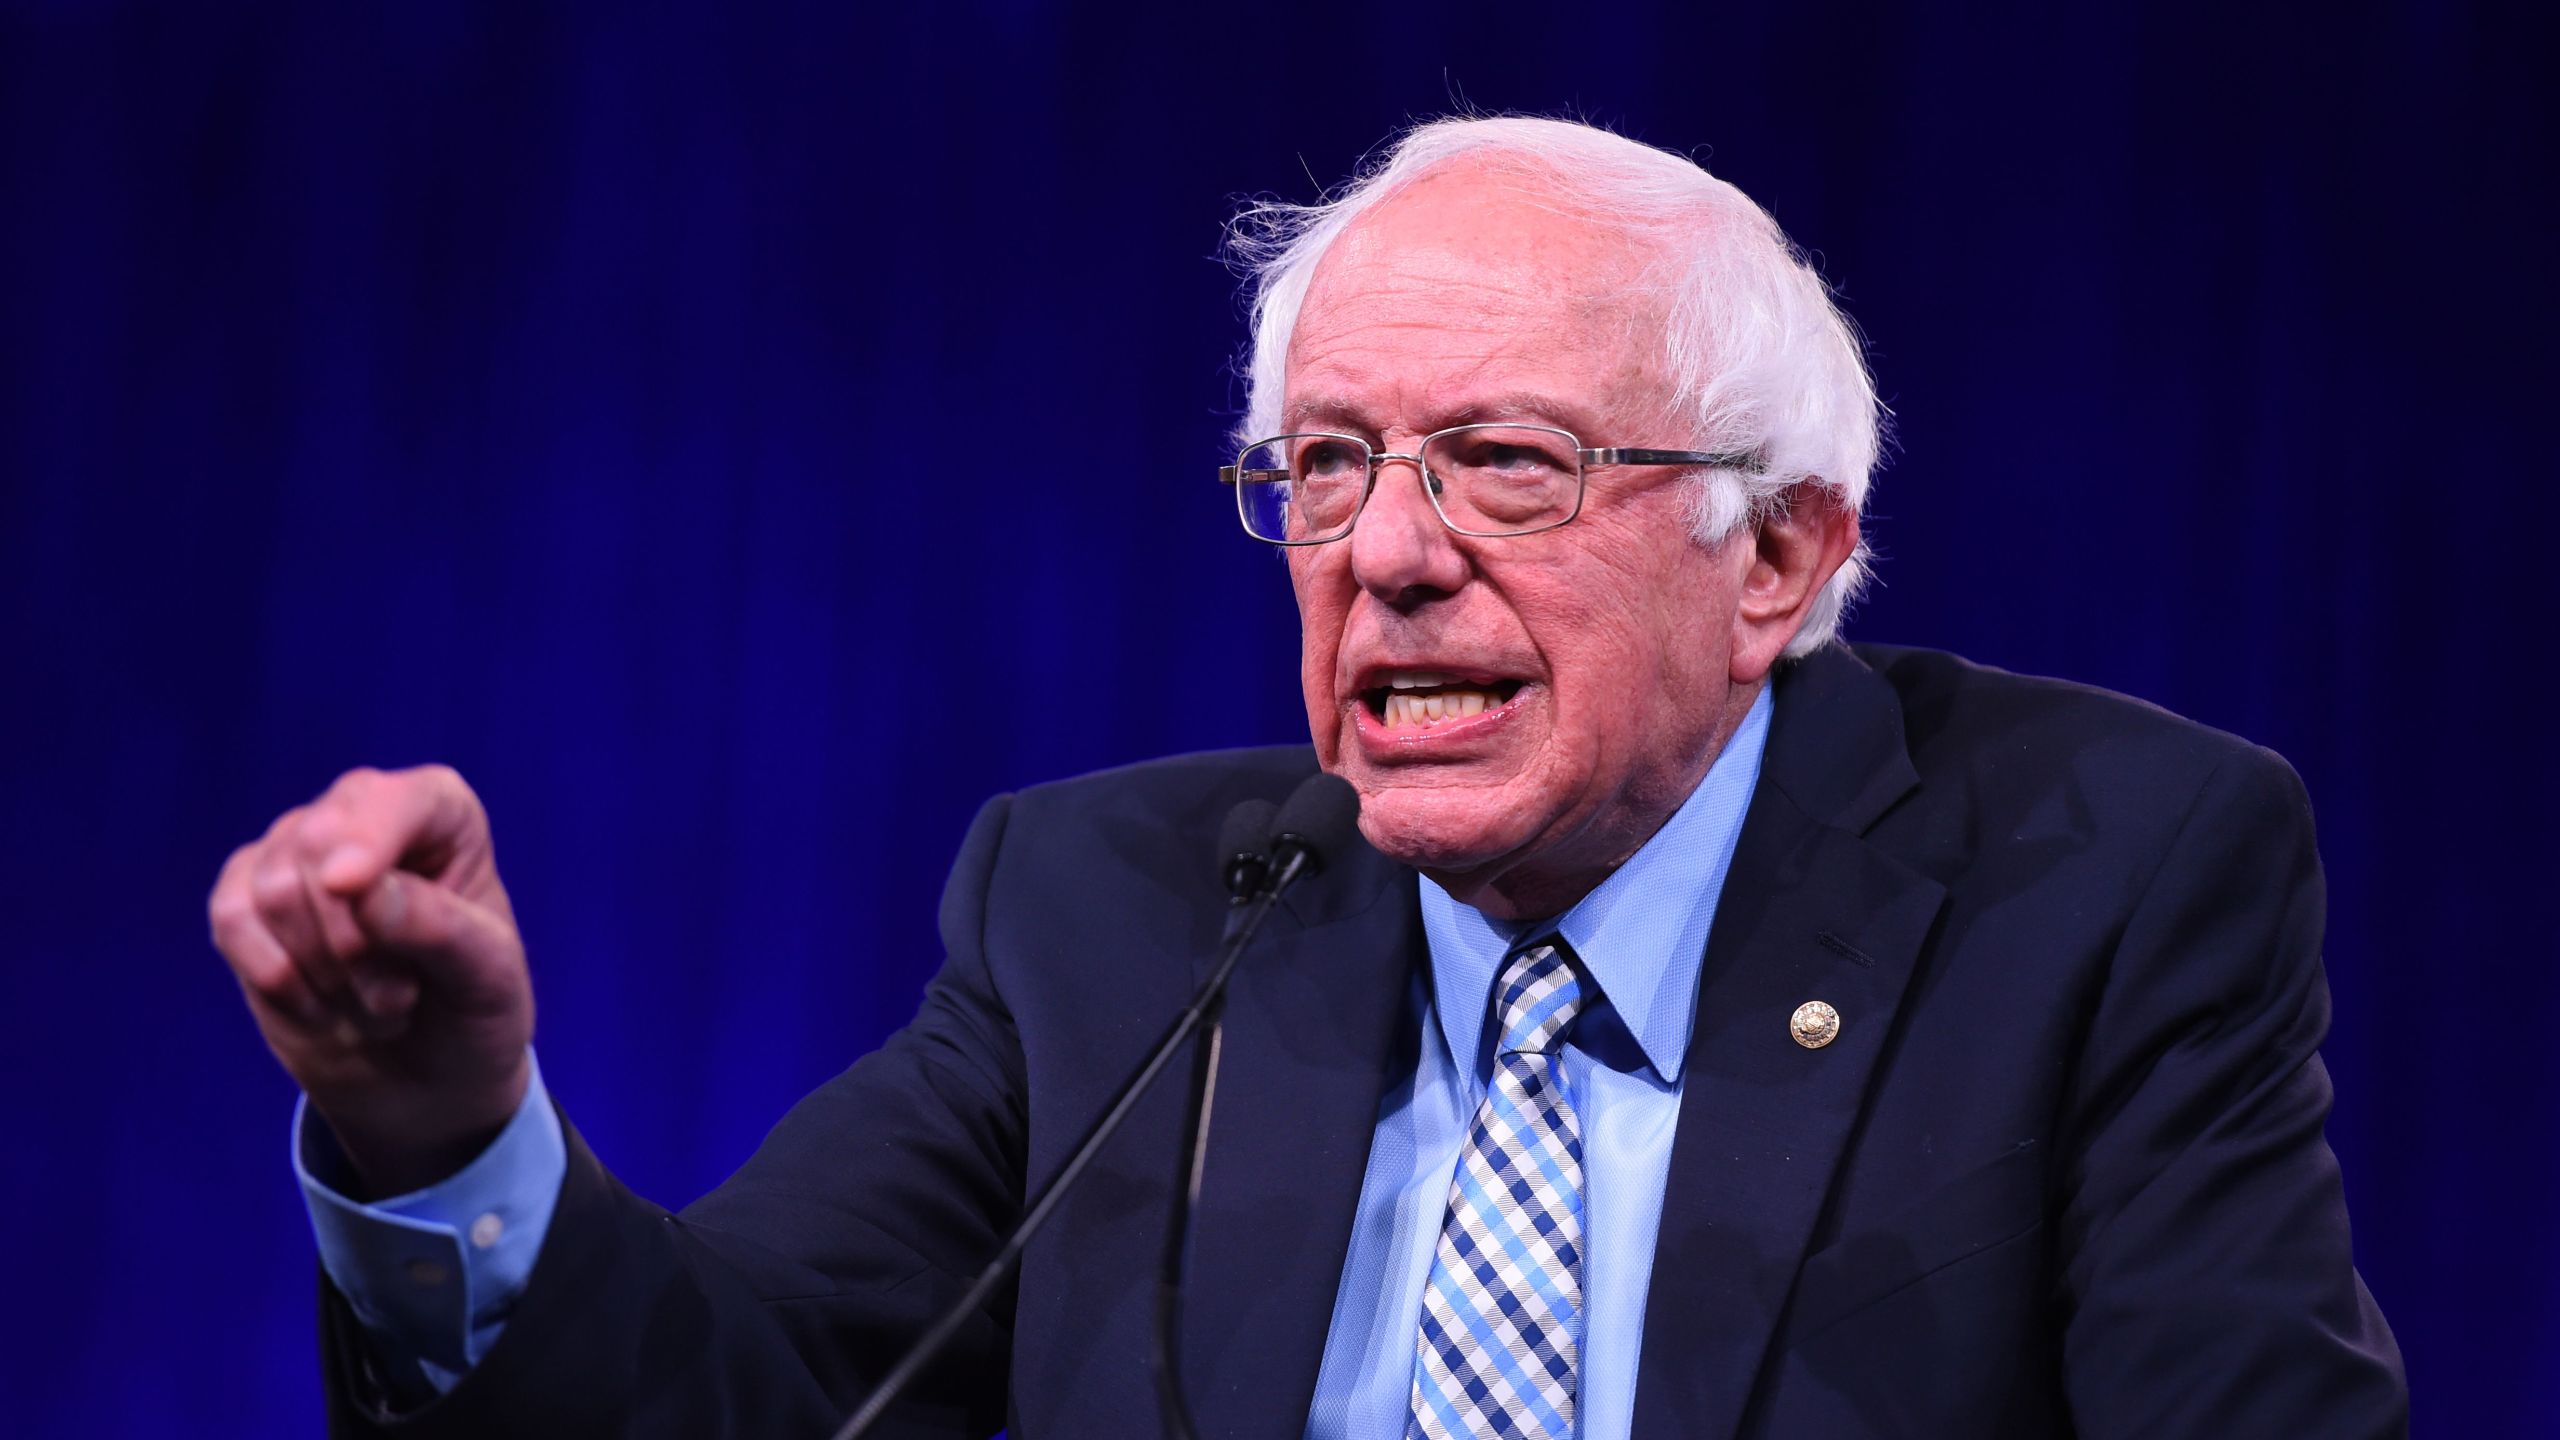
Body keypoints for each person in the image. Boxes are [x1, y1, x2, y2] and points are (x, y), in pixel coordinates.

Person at [209, 116, 2408, 1437]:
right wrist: (441, 1136)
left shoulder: (2098, 879)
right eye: (1327, 466)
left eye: (1505, 468)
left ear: (1779, 555)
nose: (1385, 551)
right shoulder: (1105, 910)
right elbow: (740, 1401)